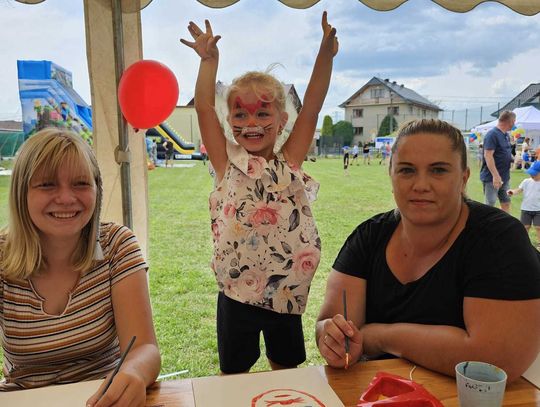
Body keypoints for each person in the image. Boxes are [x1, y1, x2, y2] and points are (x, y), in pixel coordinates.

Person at [316, 118, 540, 383]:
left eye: (438, 170)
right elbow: (328, 323)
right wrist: (331, 336)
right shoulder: (368, 237)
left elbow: (494, 360)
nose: (421, 185)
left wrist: (378, 336)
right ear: (392, 176)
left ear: (464, 177)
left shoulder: (498, 239)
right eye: (407, 170)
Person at [181, 12, 338, 374]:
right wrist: (209, 62)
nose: (251, 124)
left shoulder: (289, 161)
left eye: (262, 114)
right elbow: (204, 107)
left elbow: (312, 106)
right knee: (233, 374)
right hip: (237, 295)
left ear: (282, 120)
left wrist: (324, 56)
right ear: (230, 121)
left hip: (286, 291)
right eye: (240, 115)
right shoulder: (226, 162)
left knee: (287, 368)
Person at [0, 128, 161, 405]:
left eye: (80, 183)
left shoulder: (117, 245)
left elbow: (144, 347)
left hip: (104, 397)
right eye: (47, 184)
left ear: (97, 190)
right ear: (20, 193)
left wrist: (133, 372)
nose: (66, 198)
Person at [480, 110, 516, 212]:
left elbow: (503, 153)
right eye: (514, 121)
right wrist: (495, 176)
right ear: (511, 121)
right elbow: (488, 156)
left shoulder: (505, 135)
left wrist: (513, 159)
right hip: (492, 177)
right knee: (490, 205)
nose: (514, 124)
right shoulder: (492, 134)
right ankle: (486, 227)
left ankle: (503, 226)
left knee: (506, 202)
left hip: (505, 177)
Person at [508, 160, 540, 250]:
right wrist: (512, 192)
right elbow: (518, 190)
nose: (532, 175)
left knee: (538, 227)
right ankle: (524, 242)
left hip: (538, 209)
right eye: (531, 173)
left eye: (535, 173)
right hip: (526, 208)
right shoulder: (526, 181)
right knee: (525, 226)